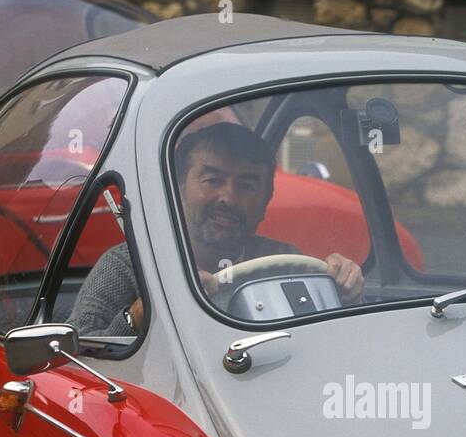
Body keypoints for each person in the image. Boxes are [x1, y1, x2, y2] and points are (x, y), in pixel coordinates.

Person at [66, 120, 364, 336]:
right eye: (212, 180)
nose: (229, 198)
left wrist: (344, 290)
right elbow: (77, 353)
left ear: (265, 202)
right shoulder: (129, 264)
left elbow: (327, 342)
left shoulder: (285, 261)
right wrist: (142, 313)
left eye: (247, 185)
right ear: (179, 188)